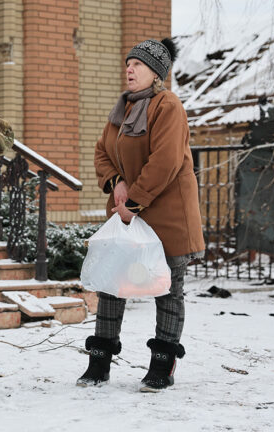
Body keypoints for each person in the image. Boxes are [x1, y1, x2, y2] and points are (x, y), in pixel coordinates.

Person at [79, 38, 205, 392]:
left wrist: (133, 202)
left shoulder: (169, 107)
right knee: (111, 285)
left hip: (166, 215)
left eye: (138, 64)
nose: (129, 69)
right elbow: (102, 152)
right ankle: (99, 364)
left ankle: (161, 367)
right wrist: (116, 182)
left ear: (157, 73)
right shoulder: (122, 107)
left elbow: (165, 161)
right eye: (128, 64)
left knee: (167, 290)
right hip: (127, 213)